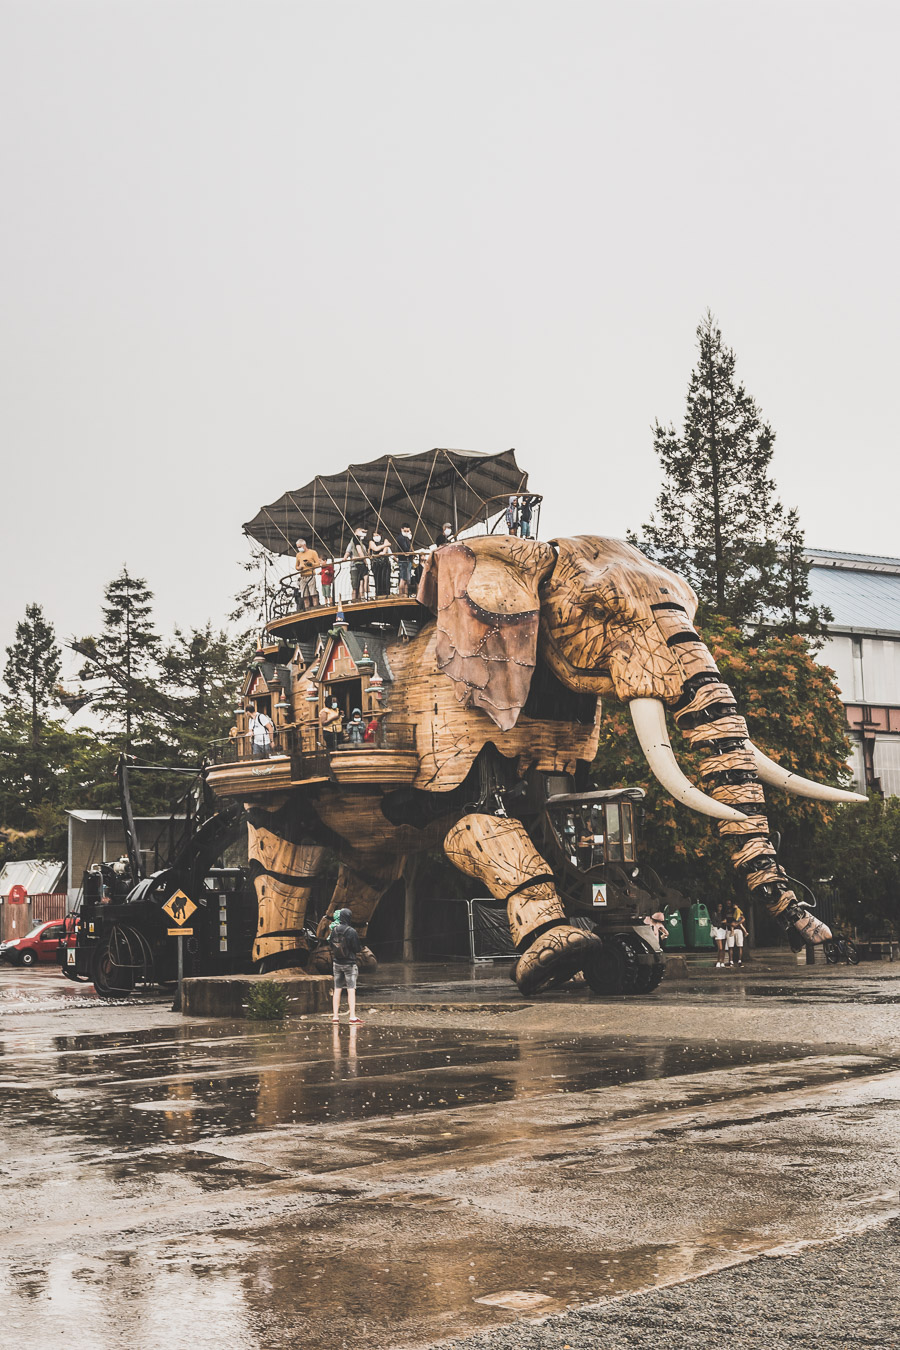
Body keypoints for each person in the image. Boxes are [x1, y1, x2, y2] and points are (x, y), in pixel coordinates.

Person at [327, 907, 363, 1023]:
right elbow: (357, 948)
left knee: (337, 989)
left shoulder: (334, 930)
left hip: (337, 963)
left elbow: (330, 945)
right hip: (349, 964)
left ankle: (335, 1016)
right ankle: (352, 1016)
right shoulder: (351, 931)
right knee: (351, 989)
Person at [294, 538, 323, 610]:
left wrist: (311, 564)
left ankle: (315, 608)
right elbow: (296, 566)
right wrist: (299, 567)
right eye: (298, 547)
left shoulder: (313, 552)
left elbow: (318, 564)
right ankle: (307, 609)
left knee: (313, 594)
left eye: (299, 547)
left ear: (304, 545)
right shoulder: (298, 555)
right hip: (302, 576)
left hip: (311, 575)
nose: (299, 548)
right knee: (305, 596)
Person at [344, 528, 369, 602]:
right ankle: (354, 600)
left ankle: (360, 599)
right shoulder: (353, 542)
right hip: (355, 566)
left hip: (360, 564)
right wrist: (345, 558)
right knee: (355, 586)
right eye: (362, 532)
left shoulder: (361, 544)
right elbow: (347, 552)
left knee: (361, 582)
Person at [368, 531, 392, 597]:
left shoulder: (385, 540)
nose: (375, 537)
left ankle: (386, 595)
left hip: (385, 563)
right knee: (378, 581)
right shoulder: (371, 542)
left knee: (386, 580)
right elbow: (375, 549)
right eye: (374, 535)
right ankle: (379, 596)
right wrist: (384, 545)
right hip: (376, 564)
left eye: (377, 535)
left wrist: (383, 549)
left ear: (380, 535)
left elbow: (385, 550)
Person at [725, 903, 748, 967]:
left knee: (740, 945)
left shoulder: (737, 910)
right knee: (730, 946)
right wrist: (730, 924)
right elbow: (725, 921)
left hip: (738, 929)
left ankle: (740, 961)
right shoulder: (725, 912)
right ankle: (731, 961)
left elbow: (743, 919)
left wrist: (737, 924)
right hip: (730, 930)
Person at [396, 525, 417, 596]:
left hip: (408, 560)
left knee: (407, 579)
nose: (406, 532)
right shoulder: (400, 538)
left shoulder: (406, 538)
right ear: (401, 529)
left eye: (408, 531)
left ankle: (405, 594)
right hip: (403, 560)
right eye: (405, 531)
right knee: (403, 579)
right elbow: (406, 549)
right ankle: (401, 594)